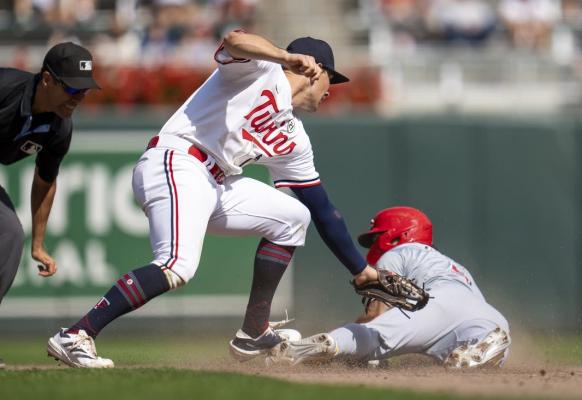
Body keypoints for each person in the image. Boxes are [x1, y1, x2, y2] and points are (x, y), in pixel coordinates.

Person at [47, 30, 379, 368]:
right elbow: (234, 39)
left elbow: (322, 209)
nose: (329, 91)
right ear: (315, 69)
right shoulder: (260, 70)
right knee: (177, 265)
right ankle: (76, 334)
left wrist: (362, 270)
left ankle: (254, 333)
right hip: (177, 161)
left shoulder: (294, 138)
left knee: (293, 217)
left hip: (214, 181)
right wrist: (283, 56)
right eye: (331, 80)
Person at [268, 207, 511, 368]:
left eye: (376, 237)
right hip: (489, 316)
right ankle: (482, 345)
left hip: (438, 304)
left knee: (372, 337)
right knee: (460, 357)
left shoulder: (398, 251)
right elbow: (461, 310)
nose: (373, 245)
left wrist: (351, 342)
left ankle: (312, 347)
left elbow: (375, 316)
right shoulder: (456, 267)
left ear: (396, 236)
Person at [0, 42, 100, 369]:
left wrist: (39, 244)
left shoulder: (59, 126)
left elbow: (45, 181)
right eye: (71, 87)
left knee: (10, 234)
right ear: (46, 79)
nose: (78, 97)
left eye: (84, 90)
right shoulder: (6, 89)